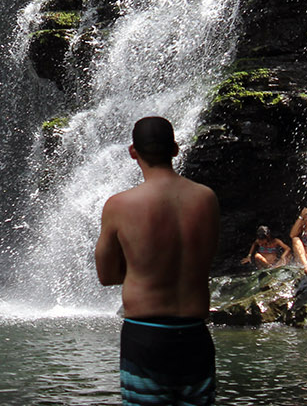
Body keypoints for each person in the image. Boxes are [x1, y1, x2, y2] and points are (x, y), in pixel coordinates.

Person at [95, 116, 220, 406]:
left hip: (145, 337)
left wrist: (141, 266)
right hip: (195, 335)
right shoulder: (206, 198)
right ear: (175, 149)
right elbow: (205, 257)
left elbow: (106, 275)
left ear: (132, 152)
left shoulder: (118, 205)